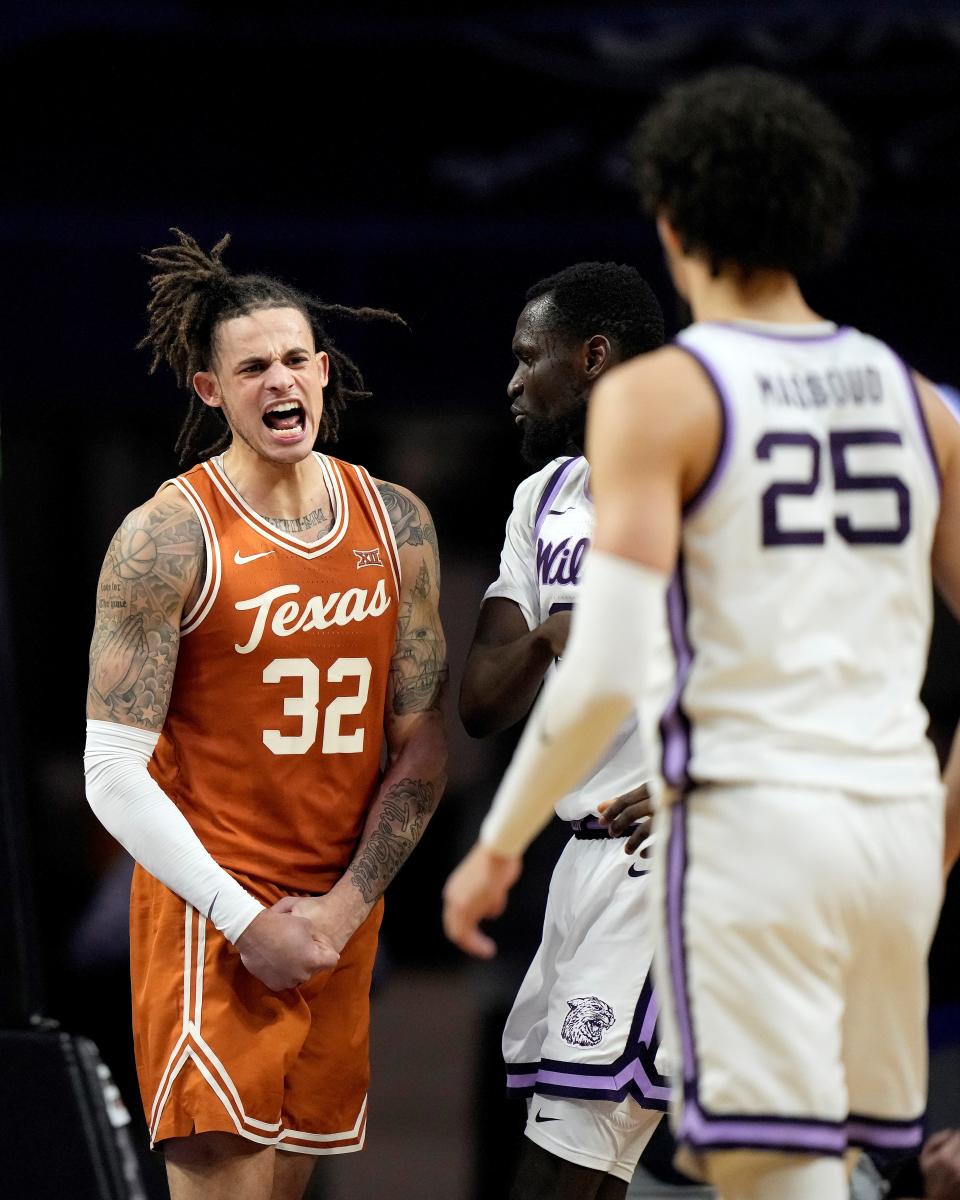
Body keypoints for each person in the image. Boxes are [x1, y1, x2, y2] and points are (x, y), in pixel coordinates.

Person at [443, 67, 960, 1200]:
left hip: (685, 857)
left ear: (674, 224)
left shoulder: (681, 411)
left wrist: (496, 845)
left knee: (574, 1175)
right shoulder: (916, 402)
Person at [84, 230, 447, 1200]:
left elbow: (420, 748)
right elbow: (111, 772)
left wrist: (343, 908)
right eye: (252, 368)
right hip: (217, 918)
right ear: (211, 391)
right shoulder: (167, 536)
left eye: (294, 360)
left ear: (323, 373)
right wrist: (248, 922)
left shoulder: (395, 522)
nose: (279, 381)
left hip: (336, 921)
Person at [459, 262, 671, 1200]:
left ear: (593, 358)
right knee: (584, 1165)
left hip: (673, 857)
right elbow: (481, 702)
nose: (512, 382)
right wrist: (554, 631)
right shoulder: (542, 498)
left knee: (559, 1174)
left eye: (526, 358)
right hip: (578, 859)